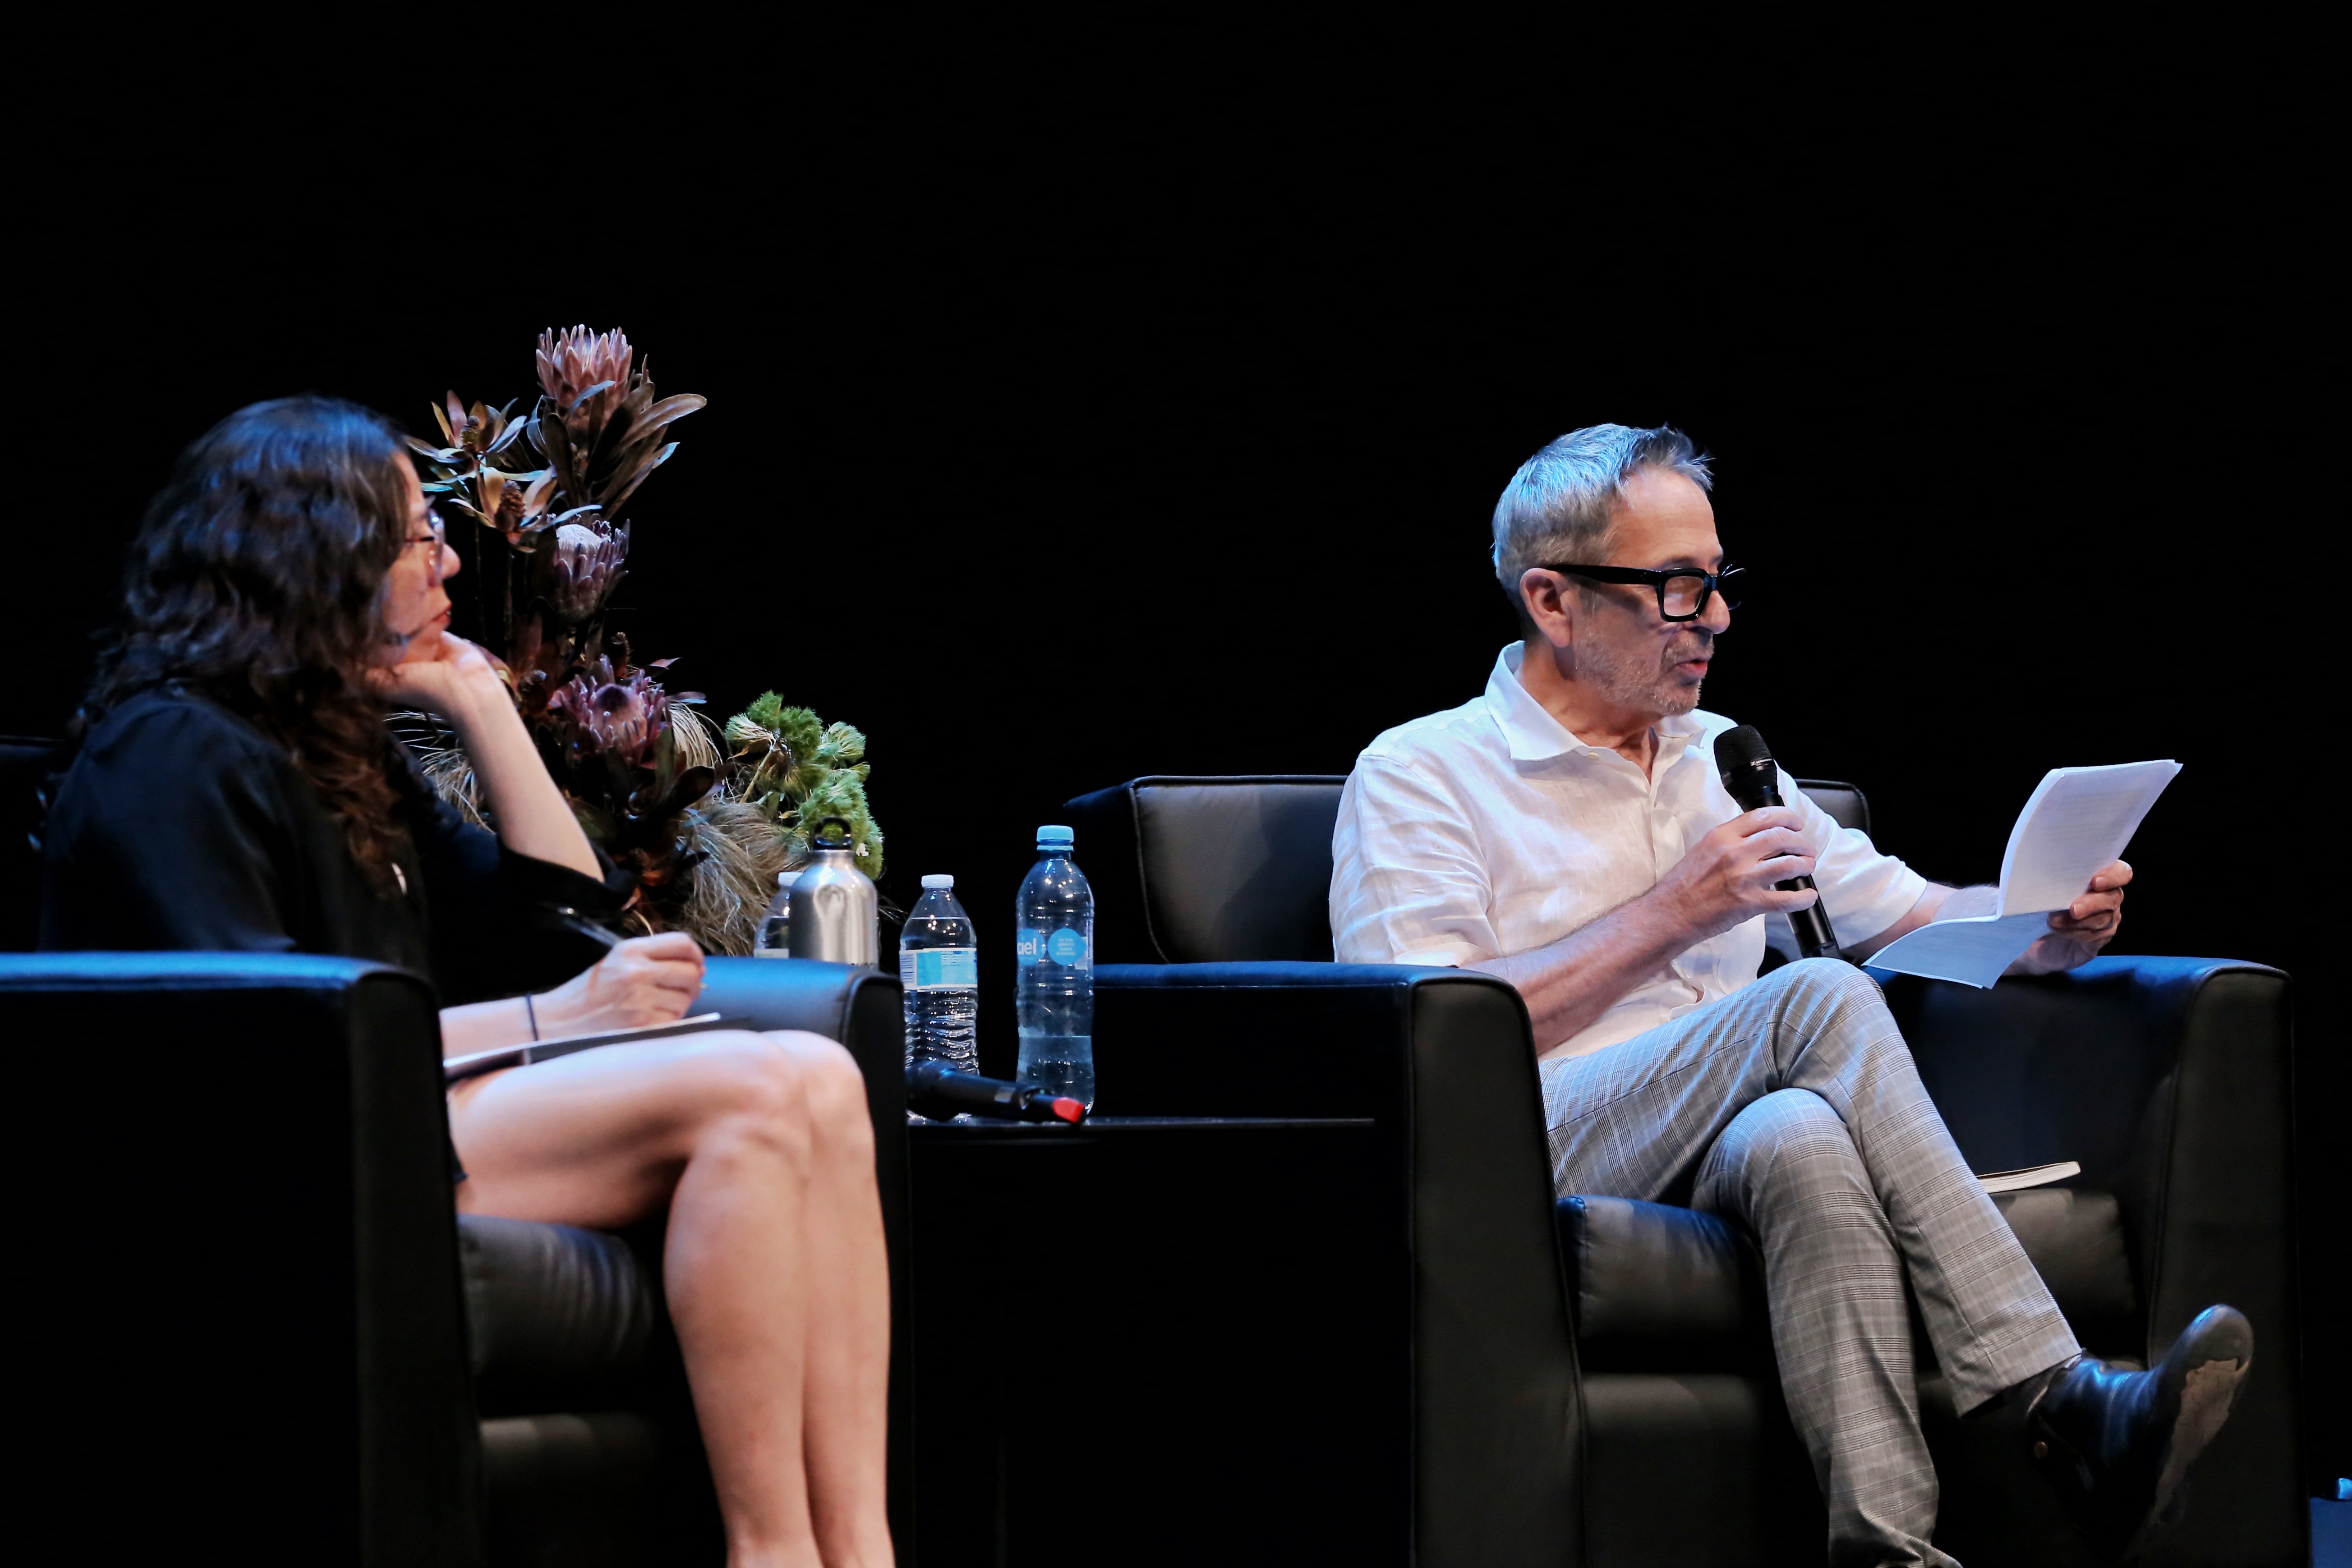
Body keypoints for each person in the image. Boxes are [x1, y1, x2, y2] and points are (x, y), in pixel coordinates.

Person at [1328, 423, 2249, 1566]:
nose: (1714, 616)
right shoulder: (1422, 771)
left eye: (1718, 582)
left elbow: (1907, 914)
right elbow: (1421, 1034)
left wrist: (2038, 928)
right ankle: (2053, 1396)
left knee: (1801, 1135)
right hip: (1516, 1140)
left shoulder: (1718, 755)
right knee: (1812, 995)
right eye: (1676, 587)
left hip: (1708, 1131)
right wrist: (1674, 911)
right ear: (1553, 600)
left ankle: (1887, 1547)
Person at [39, 396, 891, 1568]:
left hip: (398, 1114)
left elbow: (564, 931)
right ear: (315, 556)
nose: (446, 559)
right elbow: (270, 1047)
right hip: (277, 1164)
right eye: (417, 537)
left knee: (815, 1078)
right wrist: (553, 1019)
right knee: (755, 1091)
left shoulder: (338, 745)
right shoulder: (174, 748)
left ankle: (856, 1546)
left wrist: (485, 703)